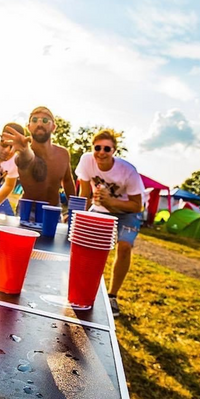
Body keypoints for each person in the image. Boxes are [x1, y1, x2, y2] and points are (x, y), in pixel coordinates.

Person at [76, 129, 145, 317]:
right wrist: (78, 213)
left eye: (107, 148)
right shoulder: (86, 161)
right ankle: (82, 287)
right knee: (83, 244)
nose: (101, 152)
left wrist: (110, 202)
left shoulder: (127, 171)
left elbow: (137, 206)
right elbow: (85, 193)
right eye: (97, 147)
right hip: (99, 209)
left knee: (123, 247)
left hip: (126, 211)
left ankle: (112, 296)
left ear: (114, 150)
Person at [2, 106, 76, 206]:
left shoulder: (63, 154)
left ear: (53, 127)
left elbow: (67, 181)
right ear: (29, 127)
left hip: (53, 210)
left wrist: (74, 210)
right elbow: (26, 159)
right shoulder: (23, 154)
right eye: (35, 120)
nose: (40, 124)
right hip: (28, 212)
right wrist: (24, 150)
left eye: (45, 120)